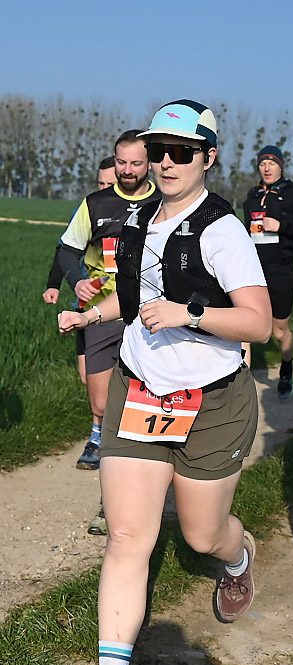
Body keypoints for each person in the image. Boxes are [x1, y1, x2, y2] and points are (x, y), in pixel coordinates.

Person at [55, 99, 271, 665]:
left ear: (208, 158)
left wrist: (190, 314)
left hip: (212, 400)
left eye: (182, 152)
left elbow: (257, 323)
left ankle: (238, 557)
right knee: (128, 536)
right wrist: (88, 313)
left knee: (203, 536)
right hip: (140, 391)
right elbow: (131, 300)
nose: (167, 162)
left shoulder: (222, 231)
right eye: (159, 151)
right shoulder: (137, 221)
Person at [56, 132, 160, 476]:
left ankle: (135, 453)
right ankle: (99, 433)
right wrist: (77, 281)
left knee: (147, 390)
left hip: (148, 314)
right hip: (101, 311)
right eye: (121, 162)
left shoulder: (163, 201)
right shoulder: (95, 204)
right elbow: (67, 250)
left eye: (136, 163)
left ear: (149, 163)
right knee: (99, 399)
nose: (127, 170)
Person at [243, 145, 293, 398]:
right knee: (244, 328)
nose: (266, 168)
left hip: (281, 271)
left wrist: (282, 226)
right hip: (252, 270)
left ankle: (287, 367)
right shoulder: (253, 195)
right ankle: (241, 382)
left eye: (272, 163)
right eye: (262, 163)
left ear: (281, 166)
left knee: (278, 331)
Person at [43, 157, 118, 387]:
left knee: (119, 382)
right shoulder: (90, 209)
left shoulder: (144, 210)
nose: (104, 189)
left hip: (125, 309)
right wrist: (53, 284)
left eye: (110, 184)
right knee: (87, 378)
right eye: (100, 183)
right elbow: (66, 248)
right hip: (89, 303)